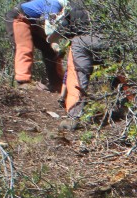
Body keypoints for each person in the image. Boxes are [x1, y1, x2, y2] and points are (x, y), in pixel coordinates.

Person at [44, 0, 106, 130]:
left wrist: (53, 39)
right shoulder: (107, 4)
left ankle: (74, 115)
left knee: (76, 69)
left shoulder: (74, 5)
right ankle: (132, 104)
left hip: (84, 43)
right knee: (121, 71)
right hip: (112, 41)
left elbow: (64, 30)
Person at [4, 0, 64, 92]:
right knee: (24, 46)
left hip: (33, 21)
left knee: (50, 49)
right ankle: (23, 81)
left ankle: (57, 83)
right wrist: (57, 44)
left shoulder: (64, 7)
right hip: (18, 17)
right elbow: (50, 29)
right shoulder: (54, 4)